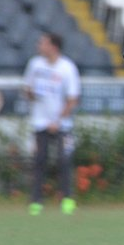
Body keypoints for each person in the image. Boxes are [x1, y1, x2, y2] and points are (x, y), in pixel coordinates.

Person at [22, 31, 81, 216]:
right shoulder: (35, 64)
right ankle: (36, 202)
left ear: (53, 46)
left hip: (62, 125)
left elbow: (72, 98)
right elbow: (27, 89)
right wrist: (30, 93)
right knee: (39, 161)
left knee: (64, 161)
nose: (39, 46)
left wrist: (59, 120)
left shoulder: (67, 68)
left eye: (43, 43)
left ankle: (67, 199)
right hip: (40, 122)